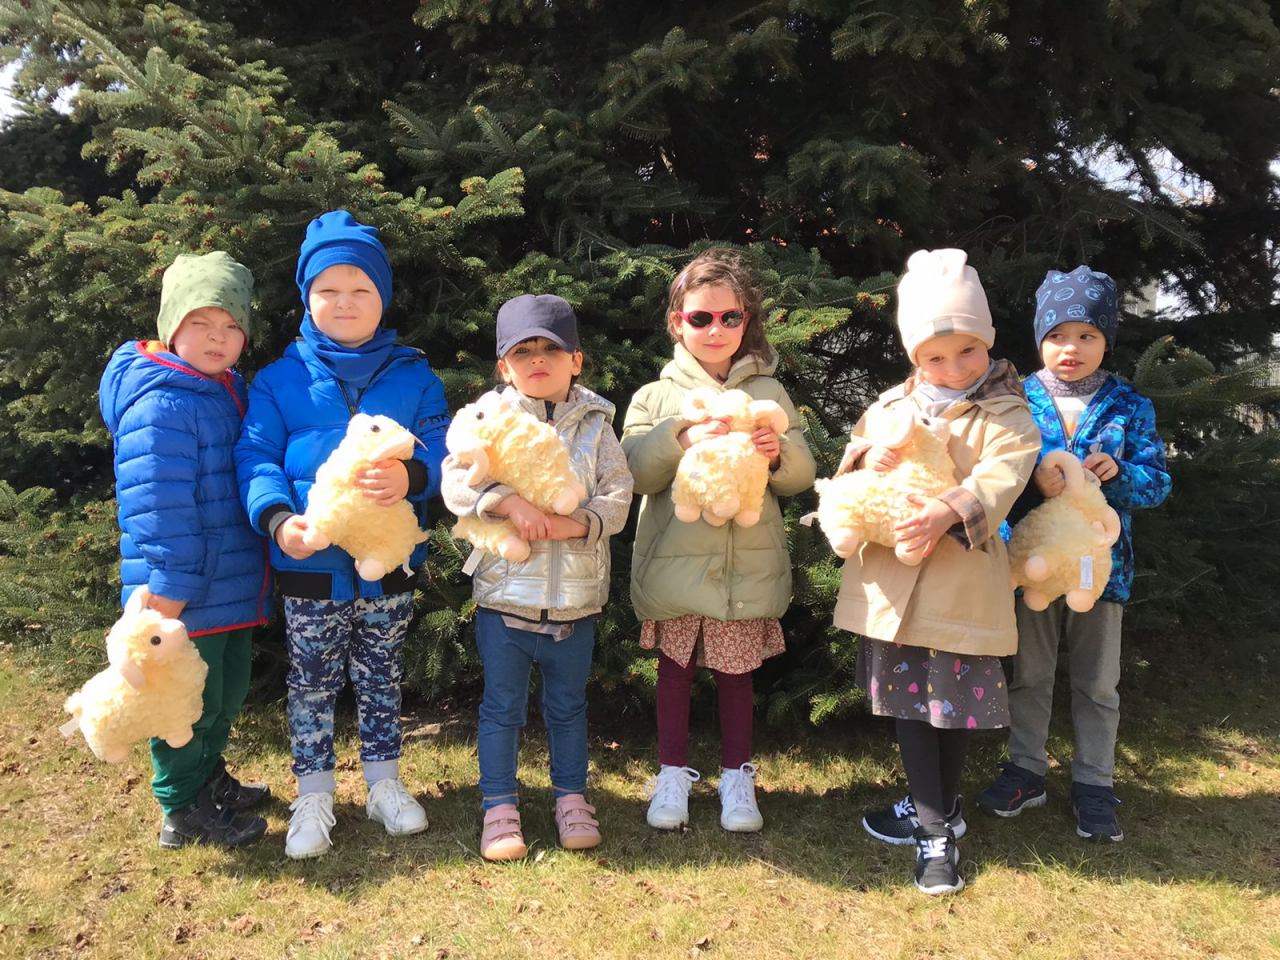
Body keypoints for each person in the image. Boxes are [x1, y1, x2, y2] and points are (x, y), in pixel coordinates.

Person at [236, 211, 449, 859]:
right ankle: (314, 794)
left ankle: (384, 784)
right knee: (311, 682)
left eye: (361, 288)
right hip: (310, 565)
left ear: (383, 297)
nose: (345, 302)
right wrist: (278, 519)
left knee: (382, 676)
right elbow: (255, 456)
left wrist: (414, 474)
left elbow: (448, 447)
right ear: (307, 298)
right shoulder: (280, 380)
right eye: (328, 289)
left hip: (390, 563)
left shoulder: (414, 375)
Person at [836, 249, 1040, 895]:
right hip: (895, 585)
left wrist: (946, 511)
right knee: (911, 704)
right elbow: (854, 459)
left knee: (949, 709)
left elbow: (1003, 477)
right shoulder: (891, 403)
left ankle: (935, 833)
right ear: (915, 356)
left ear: (988, 341)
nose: (953, 369)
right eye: (935, 357)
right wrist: (870, 457)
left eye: (967, 351)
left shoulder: (1009, 412)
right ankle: (936, 815)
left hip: (959, 586)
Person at [622, 247, 816, 834]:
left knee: (737, 678)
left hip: (746, 568)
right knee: (674, 676)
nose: (716, 329)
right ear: (677, 322)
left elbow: (801, 474)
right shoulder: (655, 397)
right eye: (701, 318)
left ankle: (737, 777)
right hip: (675, 567)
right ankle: (671, 775)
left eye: (730, 317)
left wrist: (777, 454)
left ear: (745, 321)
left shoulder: (770, 392)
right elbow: (633, 472)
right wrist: (678, 438)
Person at [976, 265, 1171, 842]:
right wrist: (1032, 484)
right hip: (1031, 566)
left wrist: (1121, 475)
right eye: (1058, 334)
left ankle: (1094, 782)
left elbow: (1158, 483)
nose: (1071, 348)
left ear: (1106, 341)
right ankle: (1025, 770)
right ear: (1040, 338)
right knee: (1030, 675)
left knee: (1098, 683)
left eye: (1087, 335)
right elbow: (988, 476)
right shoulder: (1016, 399)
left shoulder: (1129, 405)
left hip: (1101, 573)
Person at [441, 294, 633, 860]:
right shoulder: (488, 419)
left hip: (577, 602)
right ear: (505, 367)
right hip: (505, 600)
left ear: (576, 360)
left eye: (550, 348)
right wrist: (507, 502)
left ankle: (571, 800)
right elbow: (455, 483)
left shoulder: (597, 425)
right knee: (502, 708)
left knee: (568, 708)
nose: (538, 360)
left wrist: (579, 524)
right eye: (523, 351)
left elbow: (619, 494)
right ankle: (500, 808)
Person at [99, 251, 271, 849]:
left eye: (231, 326)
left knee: (222, 694)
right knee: (180, 703)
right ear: (172, 327)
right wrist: (170, 589)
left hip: (227, 584)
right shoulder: (161, 403)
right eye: (202, 323)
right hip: (181, 592)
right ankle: (182, 809)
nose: (218, 337)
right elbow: (157, 504)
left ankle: (207, 779)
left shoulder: (224, 390)